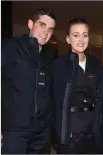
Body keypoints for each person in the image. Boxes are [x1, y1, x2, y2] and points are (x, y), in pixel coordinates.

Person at [1, 8, 56, 153]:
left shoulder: (49, 55)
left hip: (42, 132)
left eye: (50, 29)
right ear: (30, 24)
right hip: (15, 130)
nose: (46, 31)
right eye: (42, 25)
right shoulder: (10, 47)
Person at [51, 18, 101, 153]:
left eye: (85, 35)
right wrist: (62, 129)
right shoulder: (58, 64)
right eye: (76, 35)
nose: (81, 39)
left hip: (91, 125)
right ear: (68, 39)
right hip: (70, 125)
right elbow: (53, 100)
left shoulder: (96, 63)